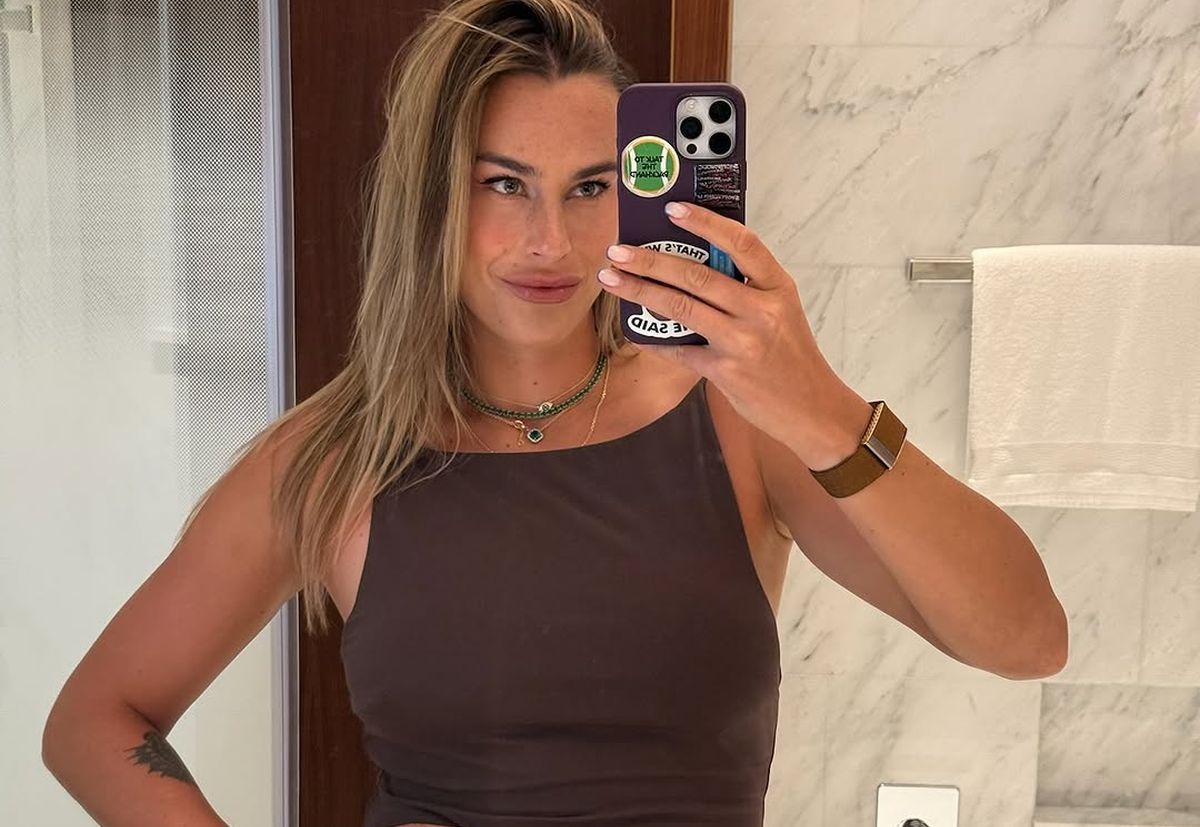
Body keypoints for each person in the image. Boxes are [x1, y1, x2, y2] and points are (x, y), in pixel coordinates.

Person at [42, 0, 1068, 825]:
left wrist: (824, 408)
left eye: (589, 187)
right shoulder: (333, 457)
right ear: (433, 198)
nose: (551, 241)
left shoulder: (738, 419)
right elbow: (95, 719)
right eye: (505, 184)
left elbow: (1027, 639)